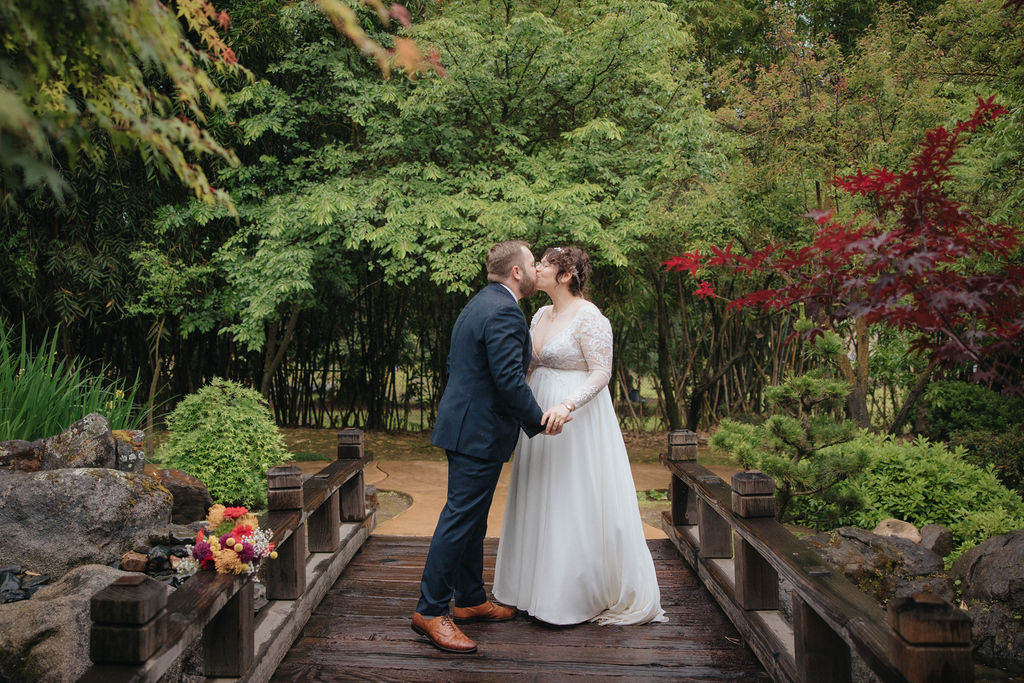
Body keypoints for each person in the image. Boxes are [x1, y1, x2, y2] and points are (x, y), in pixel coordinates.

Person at [493, 246, 667, 626]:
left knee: (569, 498)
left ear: (566, 274)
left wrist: (568, 405)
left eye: (544, 264)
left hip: (576, 420)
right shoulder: (538, 314)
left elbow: (602, 372)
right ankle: (530, 589)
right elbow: (527, 367)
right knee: (539, 494)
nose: (535, 268)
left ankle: (569, 596)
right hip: (539, 416)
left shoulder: (590, 317)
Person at [413, 240, 570, 654]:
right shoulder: (503, 310)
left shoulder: (478, 303)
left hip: (466, 426)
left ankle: (469, 600)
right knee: (460, 518)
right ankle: (430, 611)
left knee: (472, 518)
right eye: (533, 263)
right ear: (516, 272)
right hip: (478, 432)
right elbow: (507, 380)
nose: (537, 269)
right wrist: (538, 419)